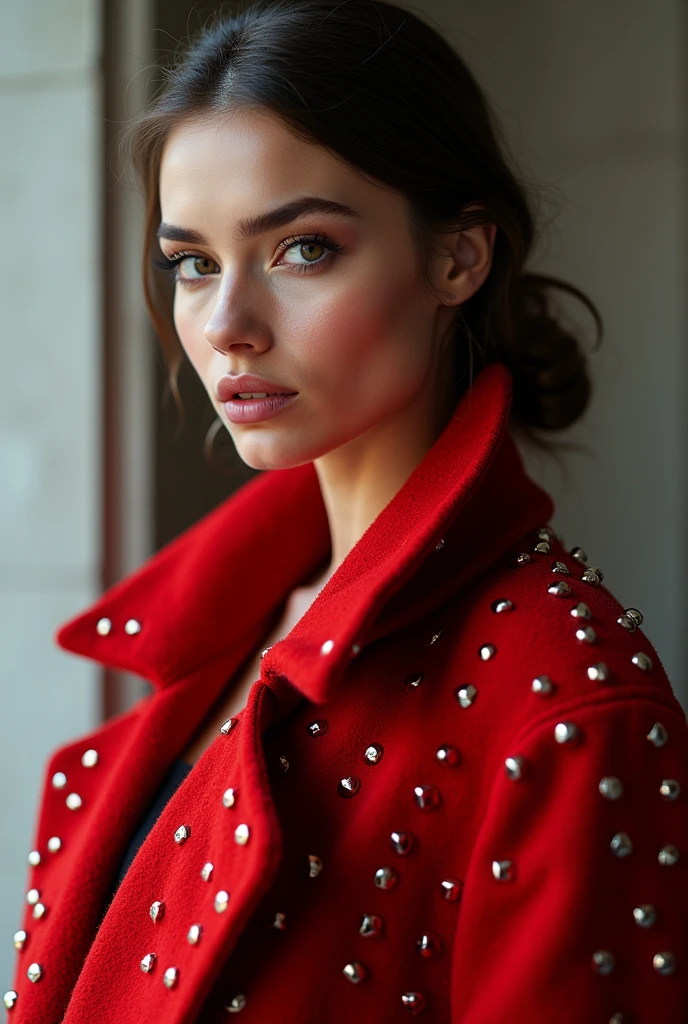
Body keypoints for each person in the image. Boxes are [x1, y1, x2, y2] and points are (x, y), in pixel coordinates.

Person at [7, 1, 687, 1021]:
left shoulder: (564, 696)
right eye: (192, 262)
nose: (227, 324)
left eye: (303, 249)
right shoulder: (227, 625)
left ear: (457, 259)